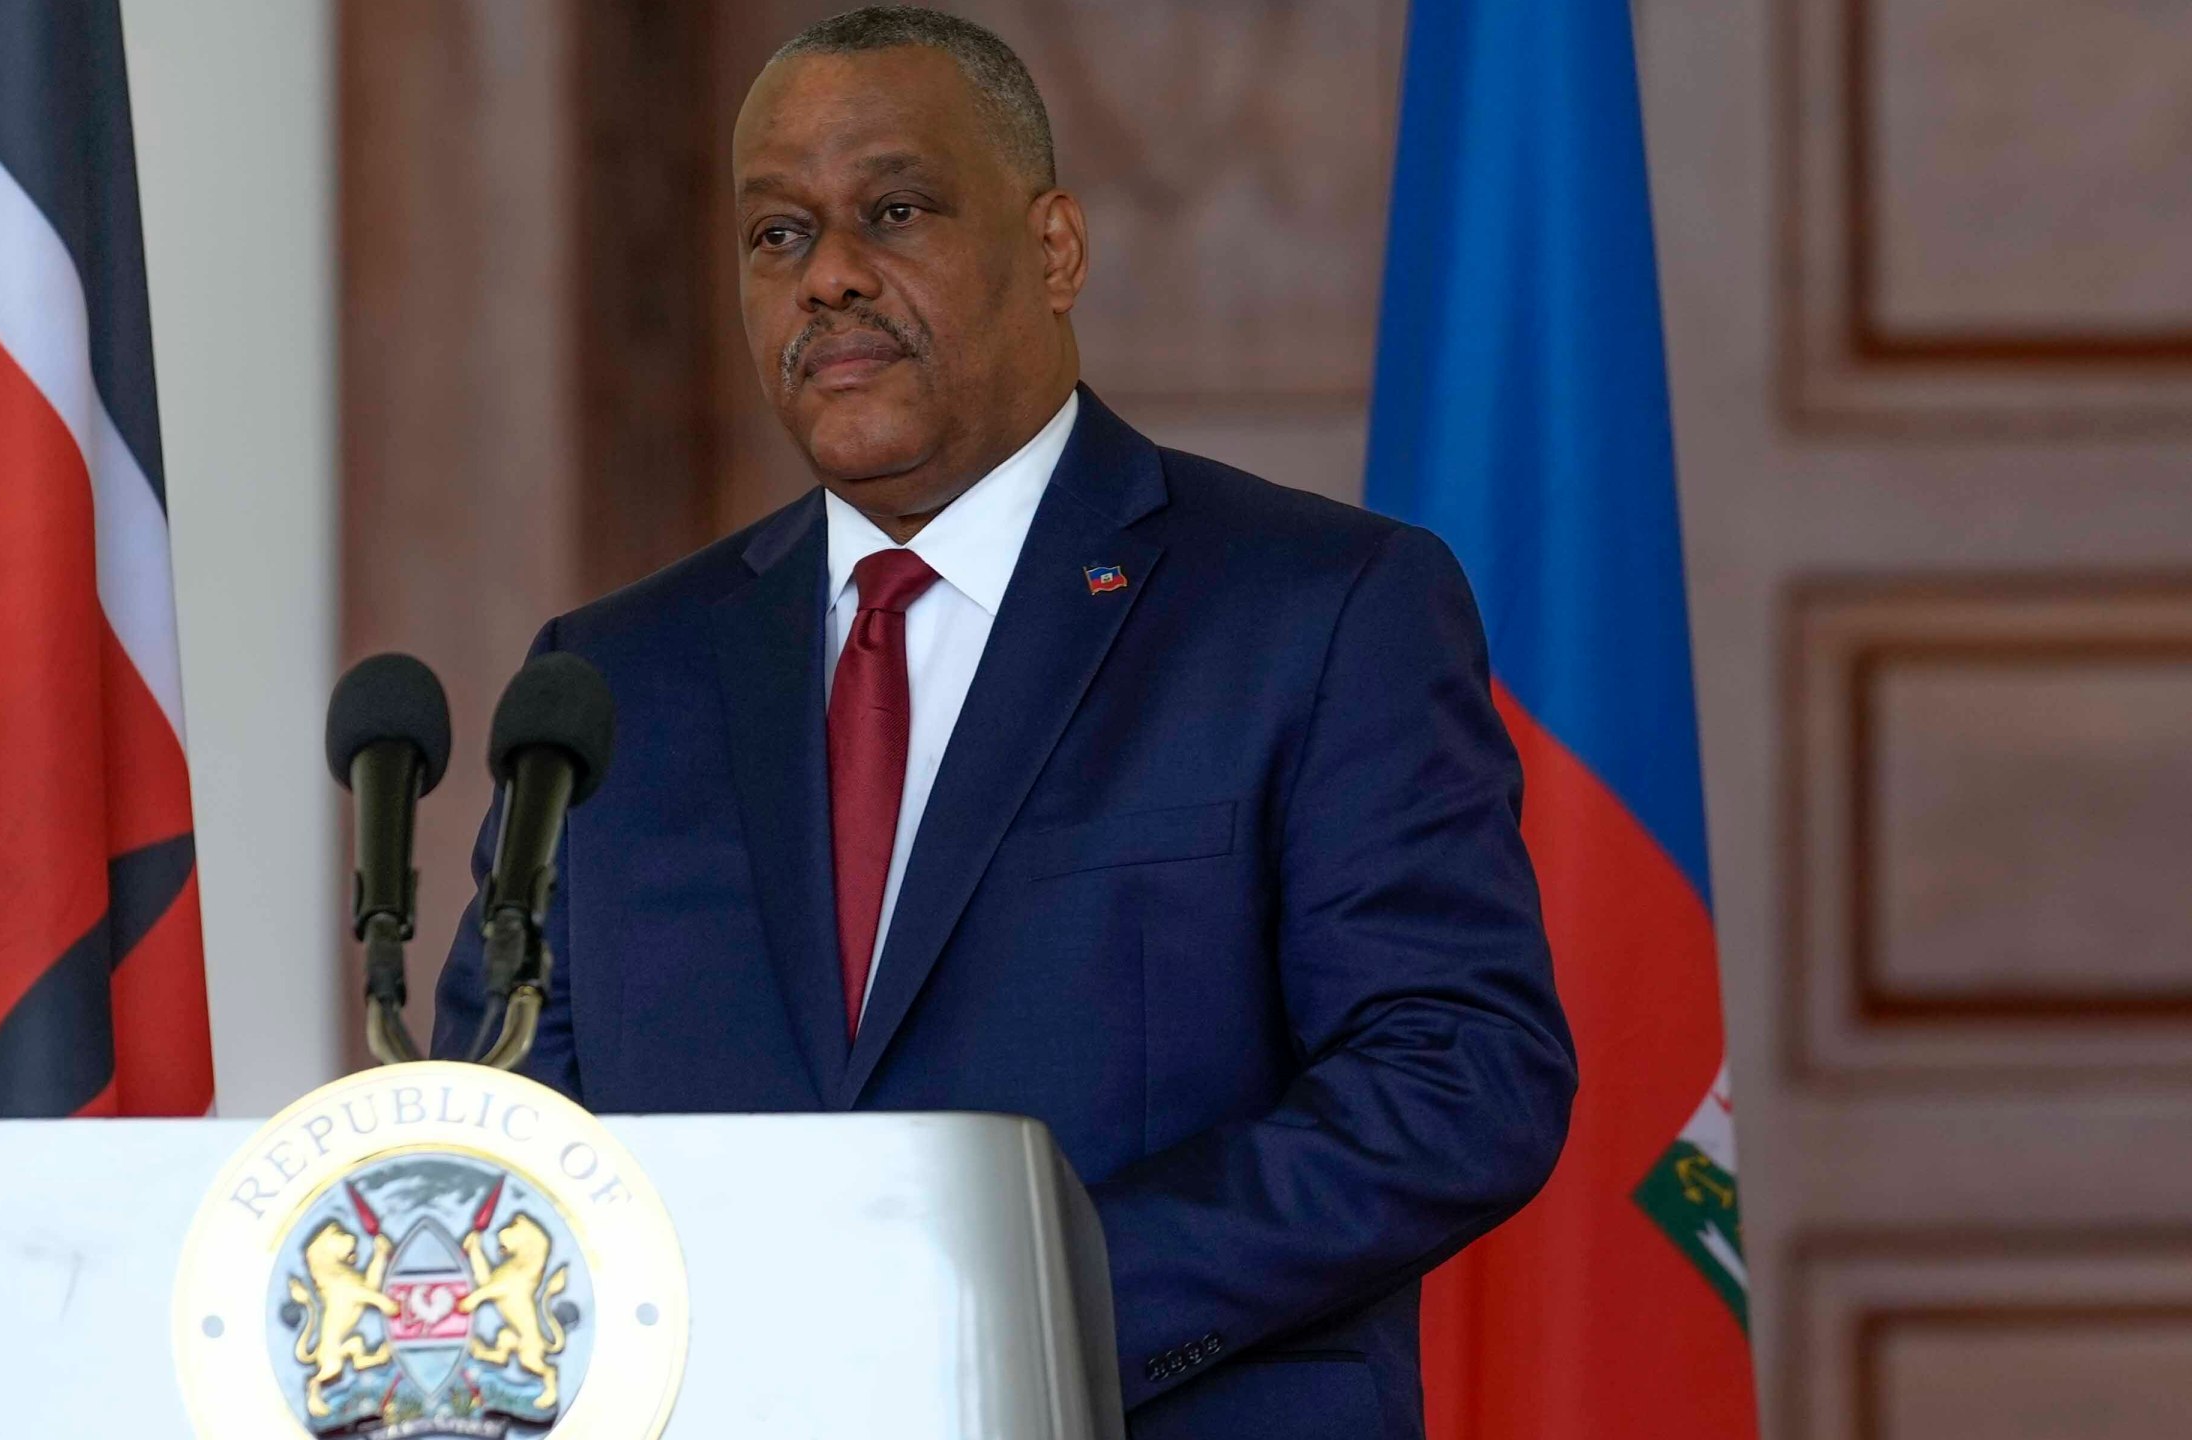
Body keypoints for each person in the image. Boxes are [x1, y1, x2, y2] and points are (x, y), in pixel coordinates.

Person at [437, 9, 1574, 1436]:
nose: (832, 275)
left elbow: (1460, 1079)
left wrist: (1024, 1289)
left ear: (1053, 250)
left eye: (894, 211)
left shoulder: (1320, 608)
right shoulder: (608, 682)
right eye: (778, 236)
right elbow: (504, 1140)